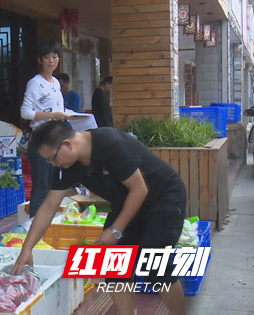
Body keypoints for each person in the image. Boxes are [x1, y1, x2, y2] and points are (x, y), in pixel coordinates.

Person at [11, 120, 187, 315]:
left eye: (52, 159)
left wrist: (115, 230)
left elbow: (139, 189)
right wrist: (27, 249)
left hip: (163, 198)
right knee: (113, 266)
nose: (54, 165)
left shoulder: (110, 144)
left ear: (67, 145)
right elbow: (49, 206)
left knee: (155, 266)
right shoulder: (65, 166)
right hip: (126, 201)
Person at [20, 39, 70, 217]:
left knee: (52, 187)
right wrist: (53, 116)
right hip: (41, 140)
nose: (51, 61)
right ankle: (32, 227)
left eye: (55, 57)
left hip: (57, 140)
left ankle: (47, 228)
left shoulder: (55, 82)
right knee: (40, 188)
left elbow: (58, 110)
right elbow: (25, 112)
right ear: (40, 60)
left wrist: (65, 114)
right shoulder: (35, 83)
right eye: (47, 57)